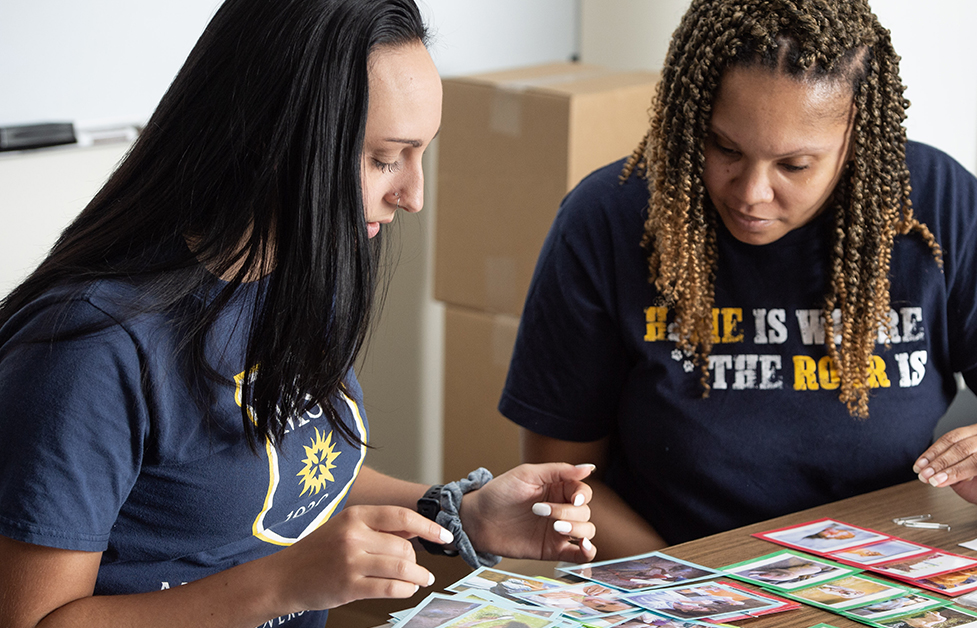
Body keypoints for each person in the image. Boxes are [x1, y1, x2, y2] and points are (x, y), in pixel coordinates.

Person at [0, 1, 597, 627]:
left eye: (420, 154)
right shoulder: (89, 350)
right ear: (279, 137)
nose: (413, 195)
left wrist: (458, 512)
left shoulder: (292, 275)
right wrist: (282, 583)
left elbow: (284, 475)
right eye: (382, 158)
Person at [500, 0, 977, 560]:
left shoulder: (936, 205)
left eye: (794, 164)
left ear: (856, 138)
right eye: (724, 148)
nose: (751, 192)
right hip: (678, 582)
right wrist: (692, 589)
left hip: (885, 580)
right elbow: (564, 483)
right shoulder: (607, 220)